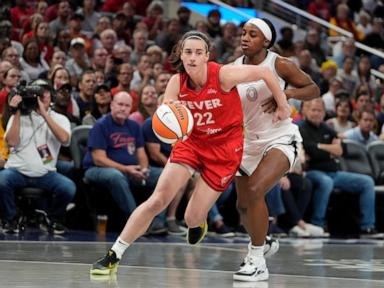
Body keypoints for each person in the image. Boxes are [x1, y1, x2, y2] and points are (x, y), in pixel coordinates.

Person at [90, 30, 290, 276]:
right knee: (158, 199)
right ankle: (114, 254)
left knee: (192, 217)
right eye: (188, 52)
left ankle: (199, 221)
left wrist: (282, 104)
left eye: (198, 52)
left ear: (207, 56)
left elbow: (264, 72)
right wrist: (169, 118)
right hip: (191, 143)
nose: (193, 57)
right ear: (181, 55)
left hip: (224, 149)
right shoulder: (176, 82)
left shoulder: (224, 75)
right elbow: (166, 119)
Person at [232, 18, 320, 282]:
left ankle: (257, 260)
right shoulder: (233, 68)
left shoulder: (279, 64)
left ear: (266, 41)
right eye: (243, 33)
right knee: (242, 204)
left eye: (253, 35)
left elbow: (313, 88)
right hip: (250, 141)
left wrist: (287, 94)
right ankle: (264, 241)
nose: (245, 38)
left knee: (256, 189)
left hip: (281, 137)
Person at [0, 79, 76, 234]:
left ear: (52, 96)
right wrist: (17, 111)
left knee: (68, 187)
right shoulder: (18, 116)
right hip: (17, 171)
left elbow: (65, 140)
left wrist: (44, 114)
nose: (40, 94)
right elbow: (12, 142)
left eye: (45, 91)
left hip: (46, 173)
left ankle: (51, 219)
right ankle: (12, 219)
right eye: (37, 91)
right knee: (1, 181)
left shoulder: (61, 118)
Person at [299, 98, 378, 237]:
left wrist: (321, 147)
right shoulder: (301, 128)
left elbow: (342, 150)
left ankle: (367, 227)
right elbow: (310, 150)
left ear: (324, 113)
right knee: (326, 182)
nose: (316, 113)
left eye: (319, 110)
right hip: (312, 172)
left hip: (334, 173)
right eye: (313, 110)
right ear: (306, 111)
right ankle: (318, 224)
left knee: (367, 182)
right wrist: (329, 149)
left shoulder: (327, 128)